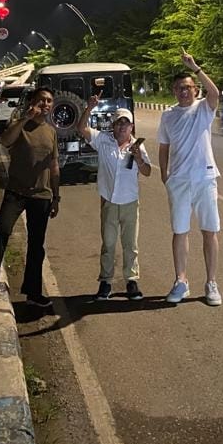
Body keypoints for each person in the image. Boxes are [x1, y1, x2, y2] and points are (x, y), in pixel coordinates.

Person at [0, 87, 60, 306]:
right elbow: (5, 141)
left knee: (36, 245)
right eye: (41, 100)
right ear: (32, 103)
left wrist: (56, 196)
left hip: (41, 195)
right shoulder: (20, 125)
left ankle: (33, 292)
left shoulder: (51, 131)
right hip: (16, 192)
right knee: (2, 232)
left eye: (49, 100)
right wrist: (25, 118)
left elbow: (53, 166)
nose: (45, 104)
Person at [158, 50, 222, 306]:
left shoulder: (204, 109)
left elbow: (215, 93)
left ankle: (211, 282)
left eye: (187, 87)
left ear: (195, 89)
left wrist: (195, 67)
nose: (183, 91)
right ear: (174, 91)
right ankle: (181, 281)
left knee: (209, 231)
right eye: (179, 88)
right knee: (180, 231)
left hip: (205, 179)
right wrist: (165, 175)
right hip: (180, 181)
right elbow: (163, 147)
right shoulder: (168, 115)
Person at [77, 97, 151, 301]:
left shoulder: (138, 146)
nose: (122, 127)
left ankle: (131, 280)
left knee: (130, 244)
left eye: (126, 123)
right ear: (113, 125)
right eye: (119, 122)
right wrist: (89, 107)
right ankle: (106, 282)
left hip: (129, 202)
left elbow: (147, 172)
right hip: (109, 201)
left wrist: (137, 157)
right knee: (108, 244)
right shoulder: (103, 140)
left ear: (131, 126)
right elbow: (81, 128)